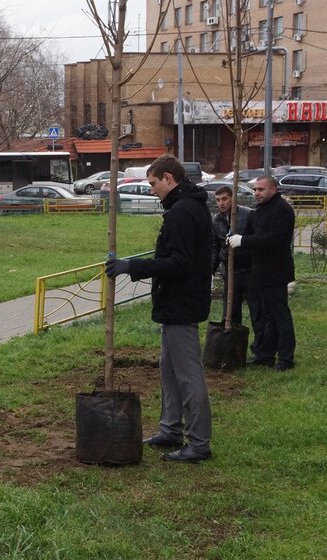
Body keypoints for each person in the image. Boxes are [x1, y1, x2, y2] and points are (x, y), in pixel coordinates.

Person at [105, 155, 213, 463]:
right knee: (169, 371)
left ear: (169, 178)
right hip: (176, 303)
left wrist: (132, 266)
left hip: (181, 304)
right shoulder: (187, 206)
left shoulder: (182, 212)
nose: (151, 190)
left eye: (153, 183)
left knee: (188, 375)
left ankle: (199, 443)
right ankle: (170, 429)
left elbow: (178, 263)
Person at [228, 175, 296, 371]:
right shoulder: (260, 211)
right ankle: (265, 355)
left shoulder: (281, 210)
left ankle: (286, 359)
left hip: (275, 272)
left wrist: (244, 241)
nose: (256, 193)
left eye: (261, 189)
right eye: (255, 189)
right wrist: (236, 238)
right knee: (266, 316)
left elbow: (274, 239)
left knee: (279, 316)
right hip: (259, 272)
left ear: (273, 189)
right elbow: (254, 236)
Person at [210, 185, 255, 326]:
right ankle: (231, 335)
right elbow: (215, 246)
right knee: (230, 311)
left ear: (232, 198)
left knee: (256, 309)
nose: (221, 203)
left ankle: (261, 337)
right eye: (218, 200)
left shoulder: (247, 215)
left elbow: (256, 240)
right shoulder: (216, 220)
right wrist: (211, 270)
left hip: (249, 270)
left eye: (224, 199)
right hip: (230, 272)